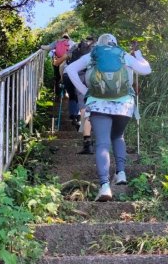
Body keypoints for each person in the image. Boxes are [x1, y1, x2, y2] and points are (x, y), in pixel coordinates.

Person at [65, 33, 151, 201]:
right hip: (124, 104)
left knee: (103, 143)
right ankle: (121, 173)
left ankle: (104, 186)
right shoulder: (122, 54)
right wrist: (138, 55)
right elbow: (146, 70)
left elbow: (69, 69)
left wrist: (84, 91)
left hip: (98, 103)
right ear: (115, 43)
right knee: (118, 136)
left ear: (99, 43)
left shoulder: (93, 54)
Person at [63, 35, 96, 148]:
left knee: (80, 101)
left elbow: (68, 61)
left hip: (76, 76)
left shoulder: (76, 46)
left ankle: (80, 124)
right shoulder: (96, 48)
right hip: (91, 77)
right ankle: (90, 130)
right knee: (89, 102)